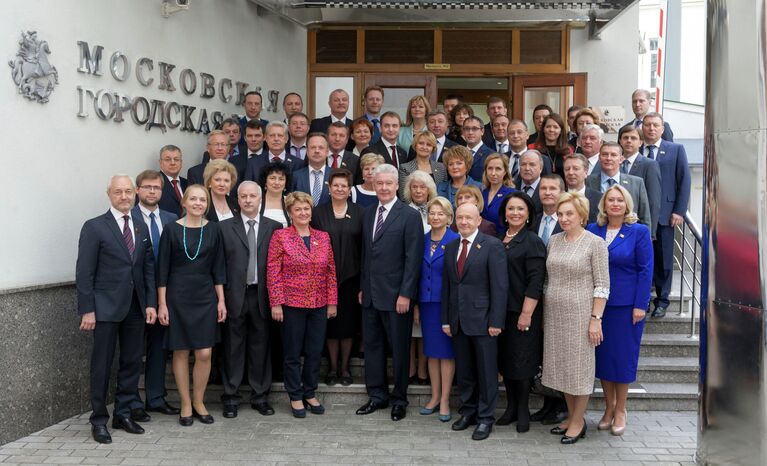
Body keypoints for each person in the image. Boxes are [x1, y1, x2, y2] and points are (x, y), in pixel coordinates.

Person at [76, 175, 157, 444]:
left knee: (132, 362)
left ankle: (123, 413)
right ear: (109, 194)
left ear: (135, 193)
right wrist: (87, 310)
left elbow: (146, 268)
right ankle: (99, 420)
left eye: (128, 192)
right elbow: (84, 272)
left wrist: (150, 304)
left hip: (135, 306)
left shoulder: (139, 225)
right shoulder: (95, 227)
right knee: (101, 365)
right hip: (104, 309)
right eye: (118, 192)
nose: (124, 196)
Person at [357, 164, 424, 422]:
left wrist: (406, 294)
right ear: (373, 185)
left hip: (397, 297)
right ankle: (377, 395)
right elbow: (366, 255)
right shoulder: (368, 212)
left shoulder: (408, 215)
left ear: (397, 185)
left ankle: (399, 399)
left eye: (388, 183)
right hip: (371, 295)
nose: (383, 188)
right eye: (379, 183)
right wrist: (363, 288)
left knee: (399, 349)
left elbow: (413, 258)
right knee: (372, 346)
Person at [542, 192, 609, 445]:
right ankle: (571, 416)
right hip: (555, 314)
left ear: (582, 215)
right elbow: (548, 278)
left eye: (569, 213)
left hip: (581, 315)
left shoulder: (595, 243)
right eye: (560, 214)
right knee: (562, 368)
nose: (563, 218)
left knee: (579, 369)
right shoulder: (554, 240)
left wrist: (596, 318)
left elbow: (602, 285)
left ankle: (579, 421)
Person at [157, 184, 227, 427]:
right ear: (184, 203)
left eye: (203, 200)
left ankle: (199, 401)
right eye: (194, 199)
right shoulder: (171, 230)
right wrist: (162, 304)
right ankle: (186, 404)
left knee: (204, 352)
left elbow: (219, 267)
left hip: (205, 296)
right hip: (177, 297)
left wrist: (221, 300)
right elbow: (162, 269)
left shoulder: (215, 230)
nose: (198, 203)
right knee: (181, 350)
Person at [586, 184, 653, 436]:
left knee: (622, 359)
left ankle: (621, 409)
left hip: (626, 307)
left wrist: (640, 304)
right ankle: (608, 407)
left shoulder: (638, 231)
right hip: (599, 305)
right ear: (603, 204)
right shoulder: (593, 230)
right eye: (610, 200)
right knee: (603, 358)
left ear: (627, 205)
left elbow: (646, 270)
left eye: (620, 200)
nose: (615, 204)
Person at [267, 191, 338, 418]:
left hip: (319, 303)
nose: (303, 213)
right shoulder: (280, 236)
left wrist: (332, 302)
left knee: (315, 351)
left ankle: (309, 392)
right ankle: (295, 395)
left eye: (306, 208)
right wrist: (276, 303)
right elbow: (273, 271)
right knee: (292, 352)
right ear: (290, 212)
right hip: (291, 303)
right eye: (298, 209)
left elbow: (331, 272)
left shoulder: (323, 236)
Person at [442, 203, 508, 441]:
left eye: (469, 218)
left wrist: (496, 320)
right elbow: (448, 287)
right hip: (458, 321)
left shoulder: (493, 246)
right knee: (466, 371)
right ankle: (468, 411)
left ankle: (485, 418)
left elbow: (500, 287)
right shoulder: (450, 247)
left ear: (479, 220)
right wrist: (446, 320)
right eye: (460, 218)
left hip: (484, 321)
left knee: (487, 372)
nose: (464, 222)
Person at [218, 181, 282, 419]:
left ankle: (260, 396)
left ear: (260, 198)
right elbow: (219, 265)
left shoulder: (274, 227)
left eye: (252, 196)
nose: (247, 200)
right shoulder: (224, 228)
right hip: (234, 293)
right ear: (237, 199)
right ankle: (231, 397)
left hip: (262, 295)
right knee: (233, 347)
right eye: (243, 196)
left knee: (260, 346)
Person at [495, 192, 546, 433]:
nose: (515, 213)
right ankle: (511, 407)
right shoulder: (498, 238)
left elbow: (535, 281)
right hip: (500, 312)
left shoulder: (532, 241)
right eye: (511, 209)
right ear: (504, 213)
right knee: (506, 361)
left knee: (523, 363)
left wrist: (526, 313)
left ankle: (523, 409)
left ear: (528, 215)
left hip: (523, 311)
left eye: (520, 209)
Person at [131, 170, 179, 417]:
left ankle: (156, 398)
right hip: (135, 294)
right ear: (138, 190)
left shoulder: (172, 219)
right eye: (147, 187)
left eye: (156, 188)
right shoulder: (129, 217)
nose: (152, 191)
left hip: (165, 293)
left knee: (159, 348)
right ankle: (130, 402)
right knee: (132, 351)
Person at [311, 169, 364, 387]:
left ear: (349, 189)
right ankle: (332, 368)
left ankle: (345, 368)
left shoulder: (361, 212)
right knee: (331, 326)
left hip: (352, 279)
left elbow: (364, 247)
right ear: (329, 188)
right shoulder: (318, 213)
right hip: (324, 279)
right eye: (336, 185)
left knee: (348, 325)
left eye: (344, 186)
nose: (340, 189)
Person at [641, 112, 691, 318]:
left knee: (664, 259)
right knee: (642, 259)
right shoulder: (636, 151)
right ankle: (642, 299)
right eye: (647, 125)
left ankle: (662, 300)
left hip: (665, 214)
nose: (651, 129)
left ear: (662, 129)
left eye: (655, 125)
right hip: (641, 216)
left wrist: (679, 211)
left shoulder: (675, 149)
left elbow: (684, 180)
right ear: (642, 128)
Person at [417, 197, 459, 422]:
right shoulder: (421, 239)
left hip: (446, 305)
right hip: (426, 303)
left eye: (440, 213)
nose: (435, 217)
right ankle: (433, 396)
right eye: (432, 213)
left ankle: (444, 399)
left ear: (449, 217)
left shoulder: (455, 240)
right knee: (431, 352)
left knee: (446, 353)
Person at [586, 142, 652, 228]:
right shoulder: (588, 181)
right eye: (605, 154)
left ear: (621, 159)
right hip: (595, 234)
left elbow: (645, 217)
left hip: (628, 236)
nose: (608, 158)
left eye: (613, 155)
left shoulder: (637, 183)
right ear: (599, 158)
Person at [618, 124, 662, 236]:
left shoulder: (649, 165)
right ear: (620, 141)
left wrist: (650, 233)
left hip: (638, 226)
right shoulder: (614, 163)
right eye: (625, 138)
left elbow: (653, 201)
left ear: (641, 142)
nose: (629, 141)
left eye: (633, 138)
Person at [398, 131, 447, 196]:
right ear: (415, 145)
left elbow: (444, 193)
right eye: (421, 143)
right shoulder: (404, 168)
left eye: (428, 145)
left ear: (433, 148)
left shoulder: (441, 167)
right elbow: (403, 196)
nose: (424, 147)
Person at [292, 133, 332, 207]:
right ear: (307, 151)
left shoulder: (335, 175)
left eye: (321, 147)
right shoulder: (296, 176)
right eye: (313, 147)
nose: (317, 151)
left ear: (327, 152)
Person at [481, 153, 516, 232]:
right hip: (481, 242)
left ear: (505, 172)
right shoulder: (482, 193)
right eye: (490, 168)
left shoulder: (512, 194)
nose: (493, 173)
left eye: (498, 169)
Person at [563, 154, 601, 223]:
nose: (571, 172)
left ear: (586, 172)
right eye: (567, 169)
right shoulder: (558, 197)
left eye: (576, 169)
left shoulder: (599, 198)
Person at [461, 116, 494, 181]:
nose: (470, 132)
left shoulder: (492, 155)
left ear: (482, 131)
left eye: (474, 129)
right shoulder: (458, 154)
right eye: (467, 129)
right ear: (463, 131)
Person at [158, 145, 187, 216]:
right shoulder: (155, 183)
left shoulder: (187, 183)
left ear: (181, 163)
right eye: (168, 160)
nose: (173, 163)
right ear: (160, 163)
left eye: (176, 159)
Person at [516, 150, 546, 214]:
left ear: (541, 168)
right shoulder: (511, 186)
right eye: (523, 164)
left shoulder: (547, 189)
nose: (527, 168)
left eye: (532, 165)